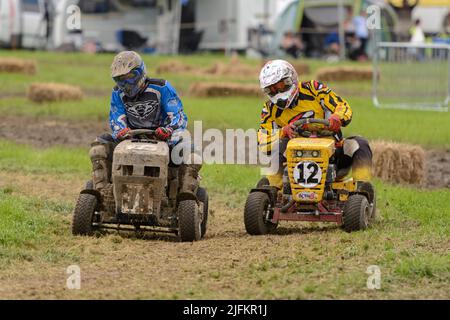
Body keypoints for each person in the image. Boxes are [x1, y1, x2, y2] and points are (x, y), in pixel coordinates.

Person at [89, 51, 200, 197]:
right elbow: (116, 117)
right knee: (98, 147)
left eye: (129, 77)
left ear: (140, 72)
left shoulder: (161, 87)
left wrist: (168, 129)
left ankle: (185, 196)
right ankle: (102, 193)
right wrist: (121, 130)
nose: (125, 84)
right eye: (120, 79)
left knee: (192, 154)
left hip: (163, 138)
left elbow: (178, 115)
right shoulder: (117, 93)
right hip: (129, 138)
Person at [257, 60, 373, 194]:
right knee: (278, 146)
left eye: (281, 85)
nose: (278, 92)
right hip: (294, 158)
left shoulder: (313, 88)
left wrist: (337, 117)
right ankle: (271, 191)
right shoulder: (269, 109)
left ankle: (362, 190)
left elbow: (342, 106)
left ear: (291, 78)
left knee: (359, 144)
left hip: (333, 154)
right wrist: (283, 132)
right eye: (272, 90)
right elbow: (262, 141)